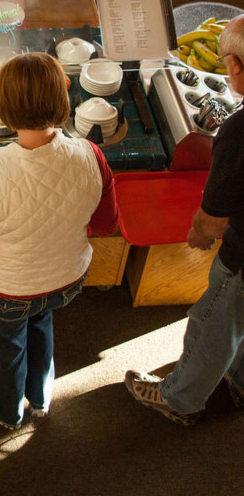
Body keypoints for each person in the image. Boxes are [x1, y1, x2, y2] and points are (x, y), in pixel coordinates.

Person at [0, 52, 119, 430]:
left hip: (7, 290)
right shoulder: (92, 155)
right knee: (41, 323)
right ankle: (40, 399)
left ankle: (6, 410)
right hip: (66, 280)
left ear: (5, 112)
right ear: (64, 100)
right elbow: (107, 225)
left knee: (7, 348)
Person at [125, 15, 244, 426]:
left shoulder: (238, 132)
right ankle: (241, 383)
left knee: (212, 324)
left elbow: (213, 217)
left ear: (235, 67)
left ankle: (179, 400)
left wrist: (198, 233)